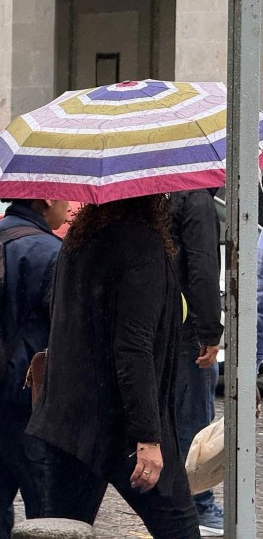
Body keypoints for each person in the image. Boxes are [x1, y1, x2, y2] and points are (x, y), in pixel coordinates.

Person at [25, 195, 200, 539]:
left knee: (62, 529)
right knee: (179, 528)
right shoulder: (141, 245)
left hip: (70, 421)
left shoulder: (78, 242)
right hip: (121, 424)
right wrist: (148, 438)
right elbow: (134, 348)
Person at [0, 198, 69, 539]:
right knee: (50, 514)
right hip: (28, 402)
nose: (68, 207)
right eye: (64, 197)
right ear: (46, 199)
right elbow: (67, 329)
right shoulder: (51, 251)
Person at [169, 189, 224, 537]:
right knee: (194, 418)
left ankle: (179, 500)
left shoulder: (160, 193)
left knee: (172, 415)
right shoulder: (197, 200)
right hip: (188, 328)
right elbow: (203, 267)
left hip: (159, 320)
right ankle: (197, 503)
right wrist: (210, 332)